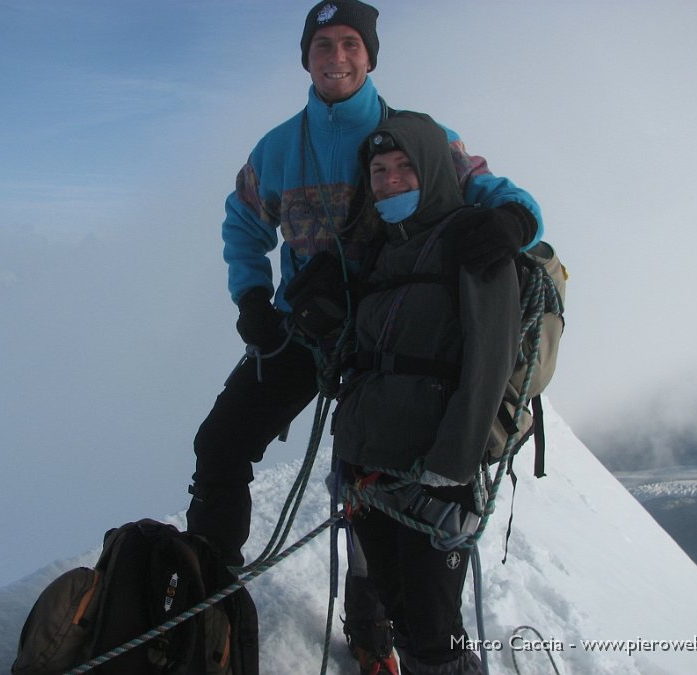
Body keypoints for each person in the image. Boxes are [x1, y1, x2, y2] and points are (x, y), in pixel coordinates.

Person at [185, 1, 543, 672]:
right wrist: (252, 296)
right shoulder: (279, 148)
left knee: (366, 483)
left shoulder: (409, 136)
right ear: (306, 58)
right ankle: (209, 604)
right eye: (322, 45)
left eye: (350, 43)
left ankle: (374, 625)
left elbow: (498, 194)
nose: (336, 57)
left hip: (386, 329)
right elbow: (244, 219)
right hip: (305, 328)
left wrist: (512, 225)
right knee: (220, 443)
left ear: (370, 56)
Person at [331, 110, 524, 675]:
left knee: (436, 632)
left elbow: (490, 360)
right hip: (372, 470)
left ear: (435, 170)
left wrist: (453, 465)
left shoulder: (473, 238)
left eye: (404, 169)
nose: (389, 182)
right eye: (380, 172)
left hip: (434, 476)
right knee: (400, 614)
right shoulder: (385, 248)